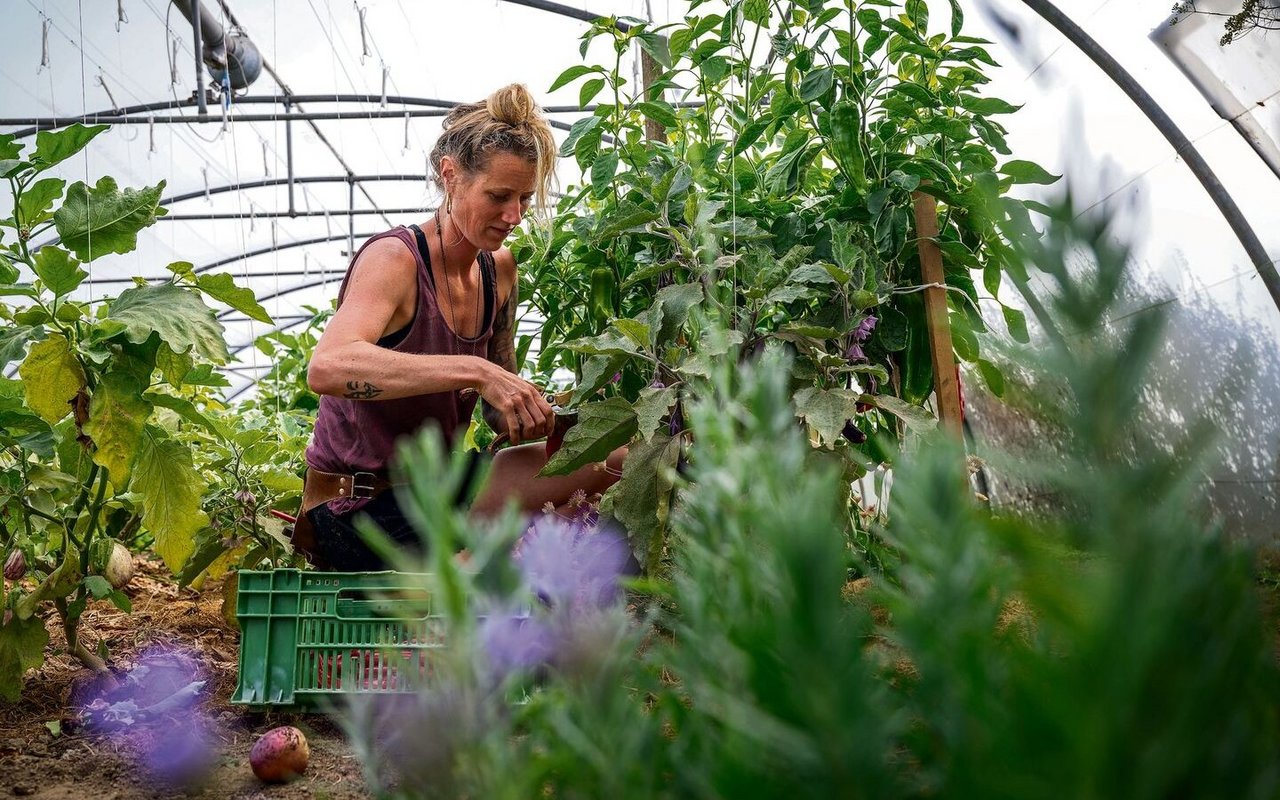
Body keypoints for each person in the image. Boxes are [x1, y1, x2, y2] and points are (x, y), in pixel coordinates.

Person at [298, 84, 624, 571]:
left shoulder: (499, 271)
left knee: (617, 460)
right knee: (513, 558)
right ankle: (462, 581)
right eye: (498, 196)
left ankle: (465, 574)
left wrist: (538, 409)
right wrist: (477, 371)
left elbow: (495, 413)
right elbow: (328, 367)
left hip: (441, 488)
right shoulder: (396, 260)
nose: (514, 216)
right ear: (450, 175)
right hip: (360, 506)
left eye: (524, 198)